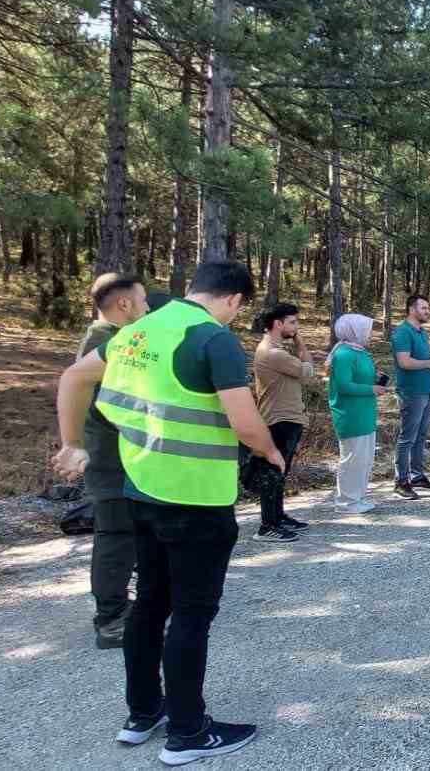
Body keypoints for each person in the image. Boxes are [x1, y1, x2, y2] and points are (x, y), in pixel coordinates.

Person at [53, 260, 278, 764]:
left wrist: (72, 442)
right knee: (192, 616)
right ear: (236, 301)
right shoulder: (213, 338)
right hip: (197, 498)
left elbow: (74, 377)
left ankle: (143, 712)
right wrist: (270, 452)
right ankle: (188, 732)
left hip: (143, 490)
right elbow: (245, 422)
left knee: (151, 603)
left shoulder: (138, 331)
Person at [77, 273, 151, 650]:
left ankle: (118, 606)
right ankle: (111, 619)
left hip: (118, 456)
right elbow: (115, 407)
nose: (148, 308)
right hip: (113, 458)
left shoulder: (107, 339)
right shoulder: (108, 342)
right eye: (143, 301)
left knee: (124, 536)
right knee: (115, 539)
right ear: (124, 304)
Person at [249, 302, 316, 541]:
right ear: (278, 324)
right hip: (279, 419)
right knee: (273, 471)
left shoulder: (277, 351)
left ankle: (278, 516)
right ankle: (267, 525)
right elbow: (308, 370)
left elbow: (306, 373)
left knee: (281, 471)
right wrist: (300, 344)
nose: (296, 328)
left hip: (287, 417)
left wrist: (298, 344)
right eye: (292, 323)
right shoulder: (272, 353)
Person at [327, 313, 389, 514]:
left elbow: (361, 376)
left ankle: (358, 496)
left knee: (365, 458)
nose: (370, 334)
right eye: (366, 330)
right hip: (350, 414)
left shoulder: (361, 352)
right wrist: (371, 389)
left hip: (365, 412)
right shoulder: (343, 354)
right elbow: (344, 385)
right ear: (354, 330)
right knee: (352, 458)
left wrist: (375, 378)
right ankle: (346, 501)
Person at [391, 295, 430, 499]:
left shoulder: (422, 332)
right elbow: (404, 362)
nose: (427, 311)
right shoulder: (402, 332)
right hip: (411, 392)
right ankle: (401, 481)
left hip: (428, 390)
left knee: (421, 436)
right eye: (424, 308)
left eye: (428, 308)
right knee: (407, 437)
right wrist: (429, 364)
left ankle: (417, 476)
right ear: (412, 309)